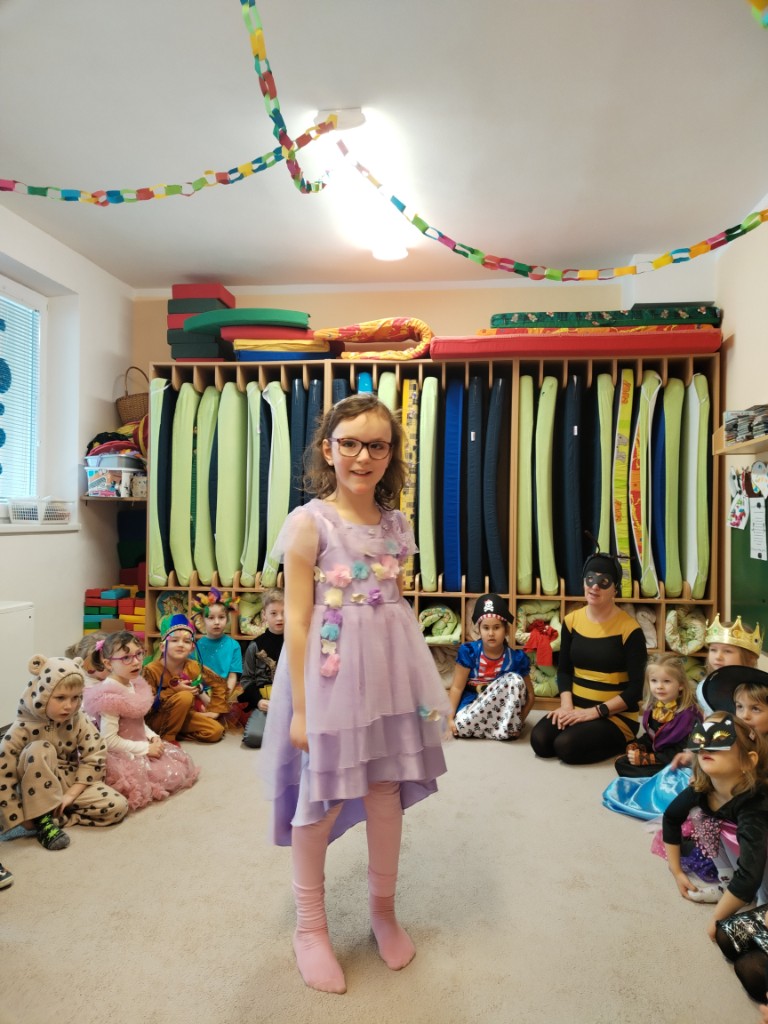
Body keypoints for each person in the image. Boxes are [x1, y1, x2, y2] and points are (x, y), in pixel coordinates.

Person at [260, 393, 450, 994]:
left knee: (385, 788)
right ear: (328, 449)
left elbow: (394, 606)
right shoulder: (309, 522)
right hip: (330, 676)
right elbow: (296, 621)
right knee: (321, 796)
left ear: (390, 455)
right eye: (350, 443)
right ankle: (310, 927)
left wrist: (416, 684)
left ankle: (383, 910)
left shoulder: (397, 525)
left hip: (389, 673)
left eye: (376, 446)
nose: (362, 457)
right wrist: (302, 709)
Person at [602, 617, 763, 819]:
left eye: (727, 651)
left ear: (749, 658)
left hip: (743, 760)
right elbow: (705, 730)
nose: (718, 657)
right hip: (707, 756)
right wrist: (692, 756)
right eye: (713, 650)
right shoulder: (706, 686)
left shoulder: (754, 692)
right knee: (663, 781)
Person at [0, 654, 128, 851]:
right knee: (39, 749)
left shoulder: (78, 719)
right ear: (42, 695)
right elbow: (3, 775)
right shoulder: (21, 727)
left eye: (75, 698)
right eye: (60, 698)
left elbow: (95, 753)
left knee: (118, 806)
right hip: (33, 788)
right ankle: (41, 817)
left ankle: (52, 817)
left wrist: (71, 795)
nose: (69, 706)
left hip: (67, 780)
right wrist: (18, 817)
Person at [529, 551, 647, 764]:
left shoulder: (630, 630)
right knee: (540, 741)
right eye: (590, 579)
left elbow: (636, 690)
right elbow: (564, 670)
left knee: (565, 747)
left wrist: (595, 712)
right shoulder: (571, 620)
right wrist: (567, 706)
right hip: (576, 708)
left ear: (615, 589)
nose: (595, 587)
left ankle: (623, 739)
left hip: (615, 716)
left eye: (604, 582)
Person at [660, 711, 768, 942]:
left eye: (719, 739)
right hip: (741, 852)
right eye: (701, 738)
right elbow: (671, 818)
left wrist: (717, 918)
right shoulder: (703, 789)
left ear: (748, 760)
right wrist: (676, 871)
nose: (706, 747)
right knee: (700, 814)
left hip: (762, 856)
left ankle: (762, 902)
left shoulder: (755, 804)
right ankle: (727, 883)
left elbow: (750, 876)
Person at [82, 631, 199, 810]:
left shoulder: (133, 683)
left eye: (139, 654)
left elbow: (137, 721)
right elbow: (109, 741)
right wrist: (145, 749)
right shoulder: (110, 696)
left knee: (177, 766)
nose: (136, 662)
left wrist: (152, 736)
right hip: (121, 753)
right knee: (146, 781)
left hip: (139, 741)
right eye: (126, 658)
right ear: (108, 663)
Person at [447, 593, 533, 740]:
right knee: (460, 725)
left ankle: (501, 728)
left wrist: (520, 720)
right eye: (486, 628)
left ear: (506, 630)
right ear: (479, 630)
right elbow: (457, 688)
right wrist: (449, 718)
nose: (491, 633)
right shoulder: (470, 652)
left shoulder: (516, 658)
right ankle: (500, 730)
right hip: (474, 706)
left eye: (497, 627)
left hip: (501, 711)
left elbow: (530, 696)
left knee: (515, 680)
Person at [612, 653, 701, 777]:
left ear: (680, 685)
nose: (659, 686)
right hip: (661, 754)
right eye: (654, 681)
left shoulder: (688, 715)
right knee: (621, 762)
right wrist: (637, 746)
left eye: (667, 681)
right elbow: (652, 737)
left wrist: (648, 758)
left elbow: (681, 751)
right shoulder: (654, 707)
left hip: (679, 760)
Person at [143, 615, 227, 744]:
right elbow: (146, 708)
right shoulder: (151, 670)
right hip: (156, 717)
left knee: (216, 731)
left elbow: (219, 683)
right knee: (185, 696)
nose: (181, 645)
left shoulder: (193, 666)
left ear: (192, 648)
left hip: (184, 714)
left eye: (187, 641)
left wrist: (215, 711)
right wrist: (174, 690)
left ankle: (177, 730)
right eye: (174, 640)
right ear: (162, 647)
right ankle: (168, 737)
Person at [239, 588, 285, 749]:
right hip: (266, 703)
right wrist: (258, 701)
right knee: (253, 738)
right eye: (274, 613)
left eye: (284, 613)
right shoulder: (255, 646)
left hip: (292, 703)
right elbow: (246, 679)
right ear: (264, 615)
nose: (280, 618)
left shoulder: (296, 642)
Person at [192, 588, 242, 700]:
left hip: (226, 692)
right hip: (202, 693)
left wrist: (222, 698)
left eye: (221, 617)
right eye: (211, 618)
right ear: (202, 620)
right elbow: (193, 676)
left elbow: (232, 677)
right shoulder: (196, 647)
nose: (217, 622)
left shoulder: (234, 646)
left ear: (227, 619)